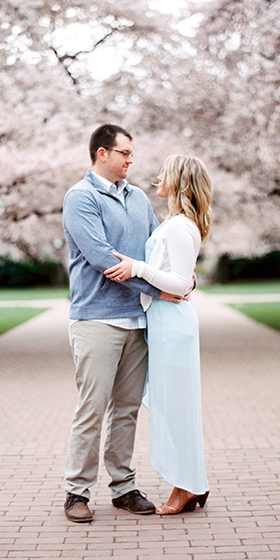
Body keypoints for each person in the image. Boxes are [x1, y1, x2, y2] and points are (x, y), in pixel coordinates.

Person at [61, 124, 187, 523]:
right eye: (125, 153)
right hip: (96, 319)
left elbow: (155, 251)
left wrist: (179, 280)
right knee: (92, 409)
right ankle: (76, 492)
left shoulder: (138, 198)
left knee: (128, 409)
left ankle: (123, 487)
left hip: (138, 320)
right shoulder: (80, 197)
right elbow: (102, 257)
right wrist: (158, 288)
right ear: (102, 153)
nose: (132, 161)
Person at [104, 154, 213, 515]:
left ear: (179, 180)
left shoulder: (182, 227)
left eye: (166, 171)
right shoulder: (175, 222)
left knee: (177, 409)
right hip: (163, 323)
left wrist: (137, 268)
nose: (158, 175)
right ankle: (195, 484)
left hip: (174, 326)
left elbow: (181, 283)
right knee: (170, 406)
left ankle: (185, 488)